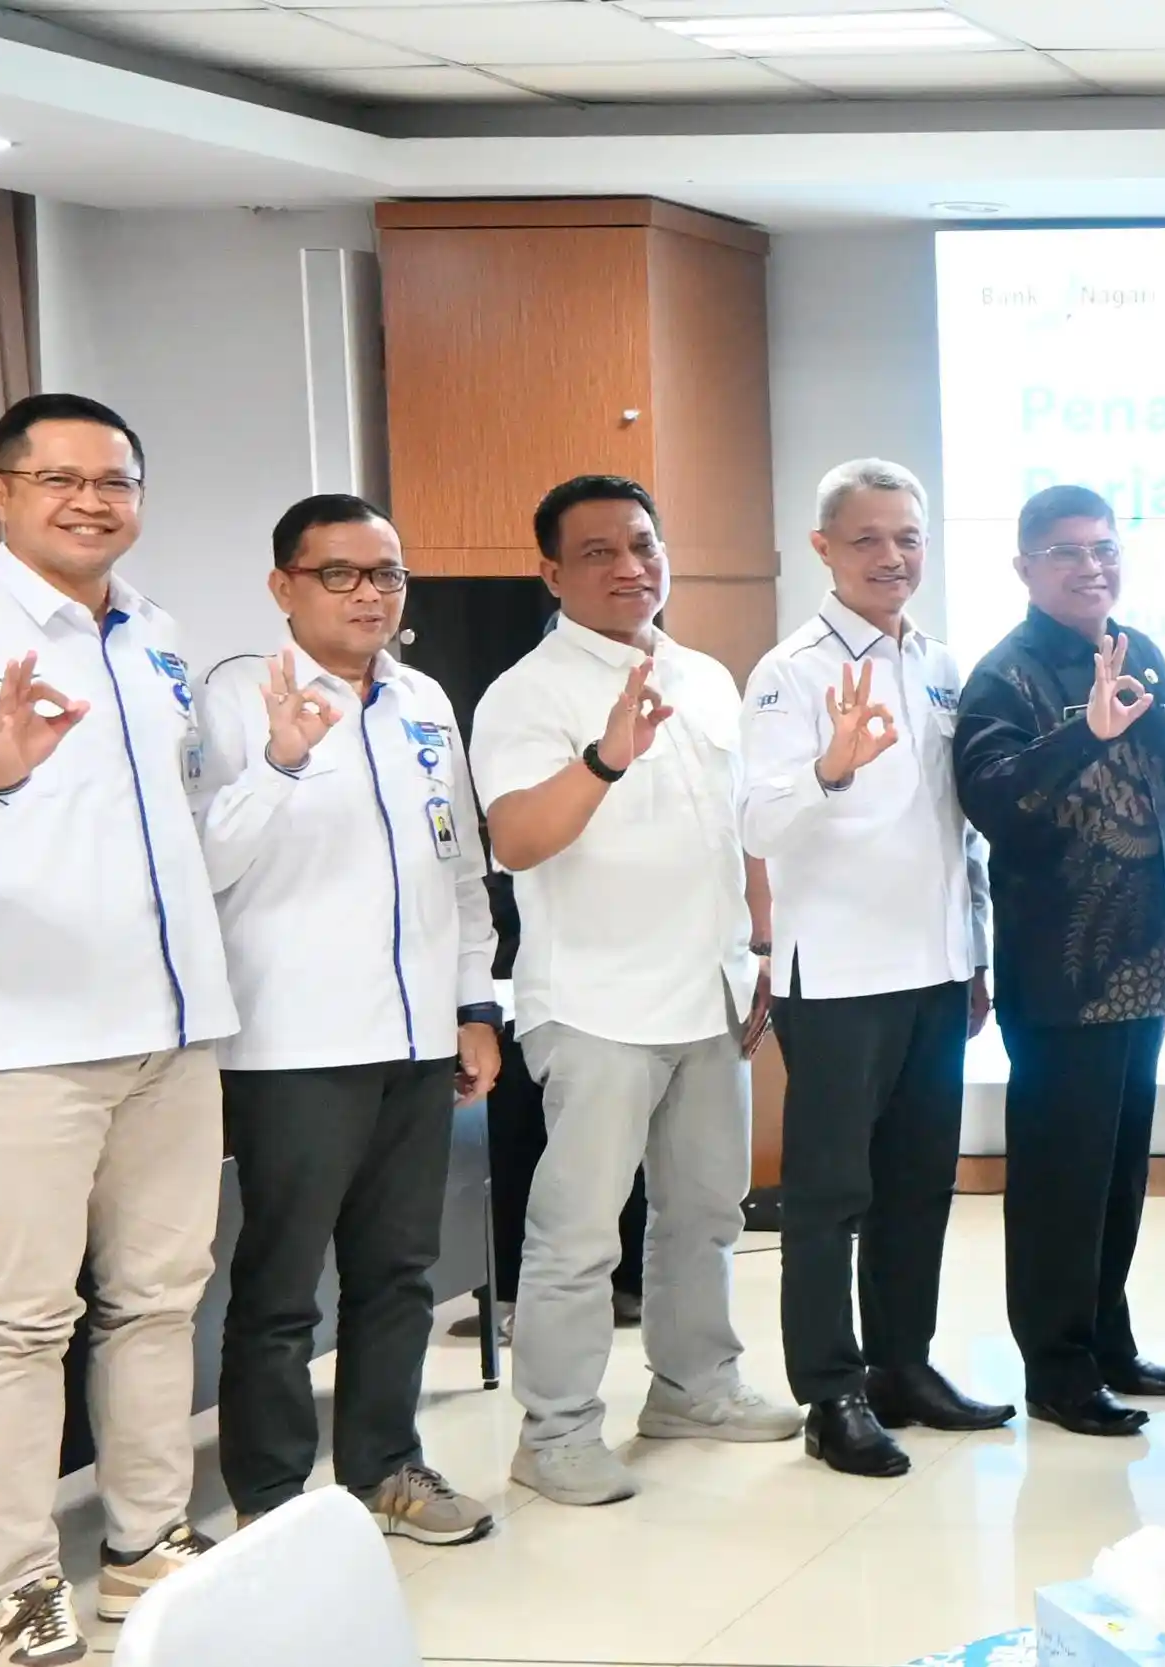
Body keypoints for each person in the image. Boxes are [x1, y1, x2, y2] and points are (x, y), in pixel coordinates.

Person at [0, 395, 232, 1664]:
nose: (91, 500)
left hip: (174, 1025)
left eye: (115, 479)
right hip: (24, 1041)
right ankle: (18, 1591)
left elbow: (189, 825)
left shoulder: (157, 639)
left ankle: (146, 1543)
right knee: (18, 1324)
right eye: (58, 478)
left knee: (160, 1301)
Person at [475, 474, 800, 1507]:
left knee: (706, 1206)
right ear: (552, 571)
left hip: (706, 986)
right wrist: (606, 755)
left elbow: (737, 826)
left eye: (644, 545)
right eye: (600, 552)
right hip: (596, 998)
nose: (630, 567)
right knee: (577, 1231)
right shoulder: (527, 691)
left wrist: (755, 945)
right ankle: (557, 1428)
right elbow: (516, 836)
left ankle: (694, 1382)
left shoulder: (703, 674)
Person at [196, 494, 503, 1548]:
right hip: (294, 1042)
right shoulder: (238, 696)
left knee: (400, 1272)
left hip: (417, 1037)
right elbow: (206, 865)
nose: (369, 593)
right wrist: (279, 762)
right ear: (284, 585)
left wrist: (474, 1003)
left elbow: (458, 863)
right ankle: (273, 1501)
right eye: (341, 573)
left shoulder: (423, 698)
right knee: (281, 1286)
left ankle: (384, 1465)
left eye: (386, 573)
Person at [738, 459, 1010, 1478]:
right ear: (823, 548)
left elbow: (954, 827)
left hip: (934, 966)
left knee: (916, 1184)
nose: (891, 557)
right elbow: (757, 819)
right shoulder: (791, 671)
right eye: (867, 539)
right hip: (839, 975)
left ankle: (904, 1363)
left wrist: (973, 951)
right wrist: (829, 764)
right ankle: (831, 1391)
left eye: (907, 537)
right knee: (827, 1194)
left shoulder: (940, 663)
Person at [956, 483, 1165, 1437]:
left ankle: (1107, 1338)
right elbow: (995, 804)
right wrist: (1082, 733)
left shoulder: (1141, 653)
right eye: (1066, 552)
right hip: (1064, 974)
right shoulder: (1003, 677)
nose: (1090, 565)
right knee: (1060, 1181)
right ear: (1023, 566)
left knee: (1119, 1172)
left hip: (1145, 959)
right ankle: (1056, 1370)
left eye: (1103, 547)